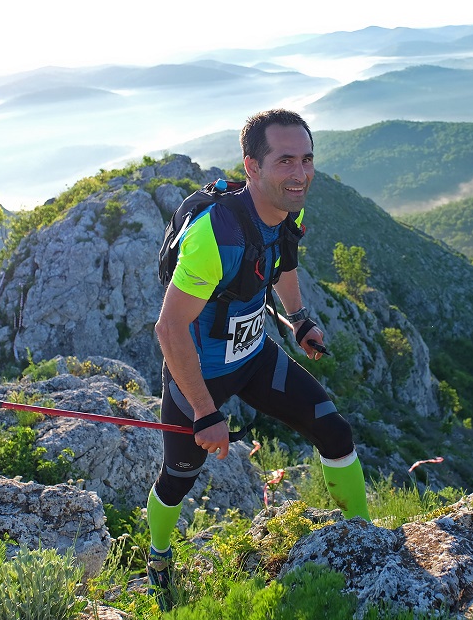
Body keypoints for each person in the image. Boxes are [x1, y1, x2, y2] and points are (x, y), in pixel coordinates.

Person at [146, 109, 371, 609]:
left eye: (307, 159)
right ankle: (158, 557)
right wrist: (205, 412)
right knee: (178, 477)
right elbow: (170, 328)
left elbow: (283, 263)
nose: (300, 173)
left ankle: (365, 540)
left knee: (335, 432)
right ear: (252, 166)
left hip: (254, 356)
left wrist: (299, 319)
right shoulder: (214, 236)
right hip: (200, 374)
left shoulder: (289, 211)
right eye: (285, 160)